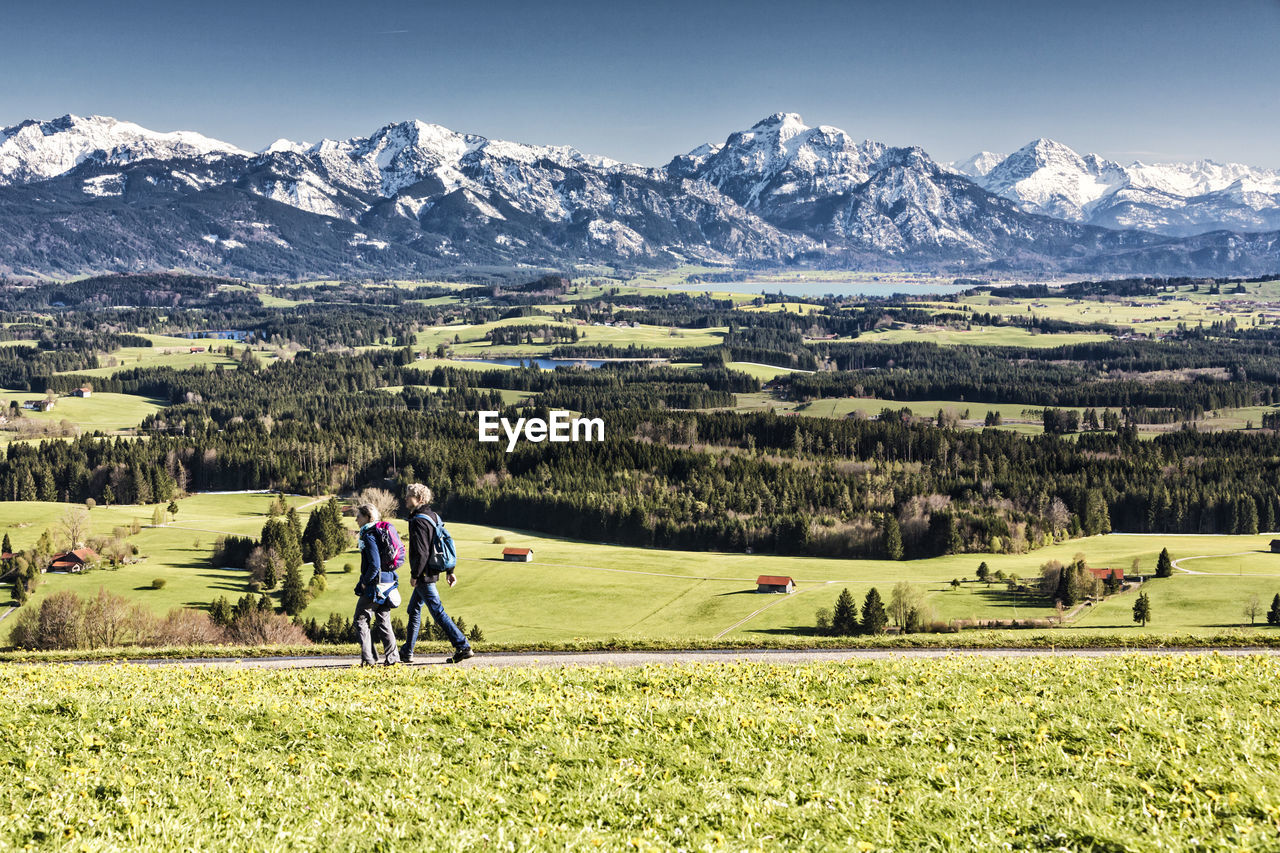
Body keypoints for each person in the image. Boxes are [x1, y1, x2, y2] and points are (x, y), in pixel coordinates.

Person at [399, 483, 473, 664]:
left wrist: (415, 575)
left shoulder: (418, 521)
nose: (406, 498)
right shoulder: (433, 516)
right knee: (414, 609)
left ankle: (463, 646)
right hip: (431, 570)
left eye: (409, 496)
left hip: (424, 574)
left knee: (437, 611)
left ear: (420, 499)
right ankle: (407, 651)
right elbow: (444, 543)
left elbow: (422, 552)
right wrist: (450, 570)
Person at [353, 504, 399, 666]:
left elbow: (374, 564)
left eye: (358, 515)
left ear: (367, 517)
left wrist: (365, 583)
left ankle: (369, 659)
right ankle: (393, 659)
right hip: (389, 582)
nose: (356, 519)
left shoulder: (369, 535)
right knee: (383, 620)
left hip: (376, 585)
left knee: (360, 619)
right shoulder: (380, 533)